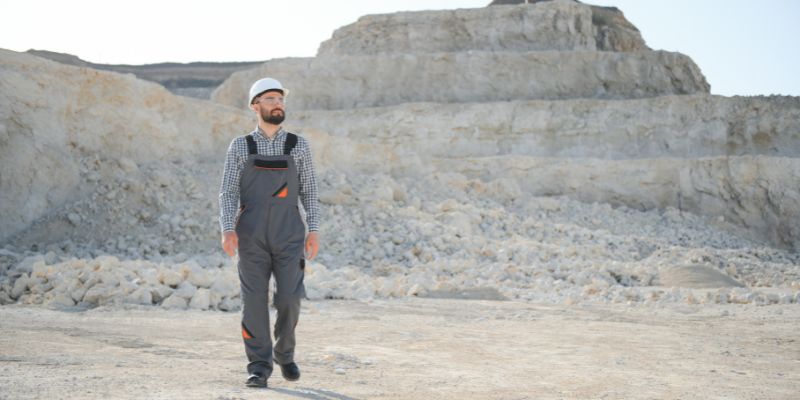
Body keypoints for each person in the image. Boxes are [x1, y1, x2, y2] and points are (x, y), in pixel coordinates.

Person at [218, 77, 320, 388]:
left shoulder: (298, 145)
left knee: (290, 297)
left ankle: (284, 353)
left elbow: (311, 192)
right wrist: (227, 229)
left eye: (280, 99)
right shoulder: (240, 146)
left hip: (289, 233)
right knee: (253, 302)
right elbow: (227, 192)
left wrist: (313, 230)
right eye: (271, 99)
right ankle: (259, 366)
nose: (278, 104)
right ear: (255, 106)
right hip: (250, 235)